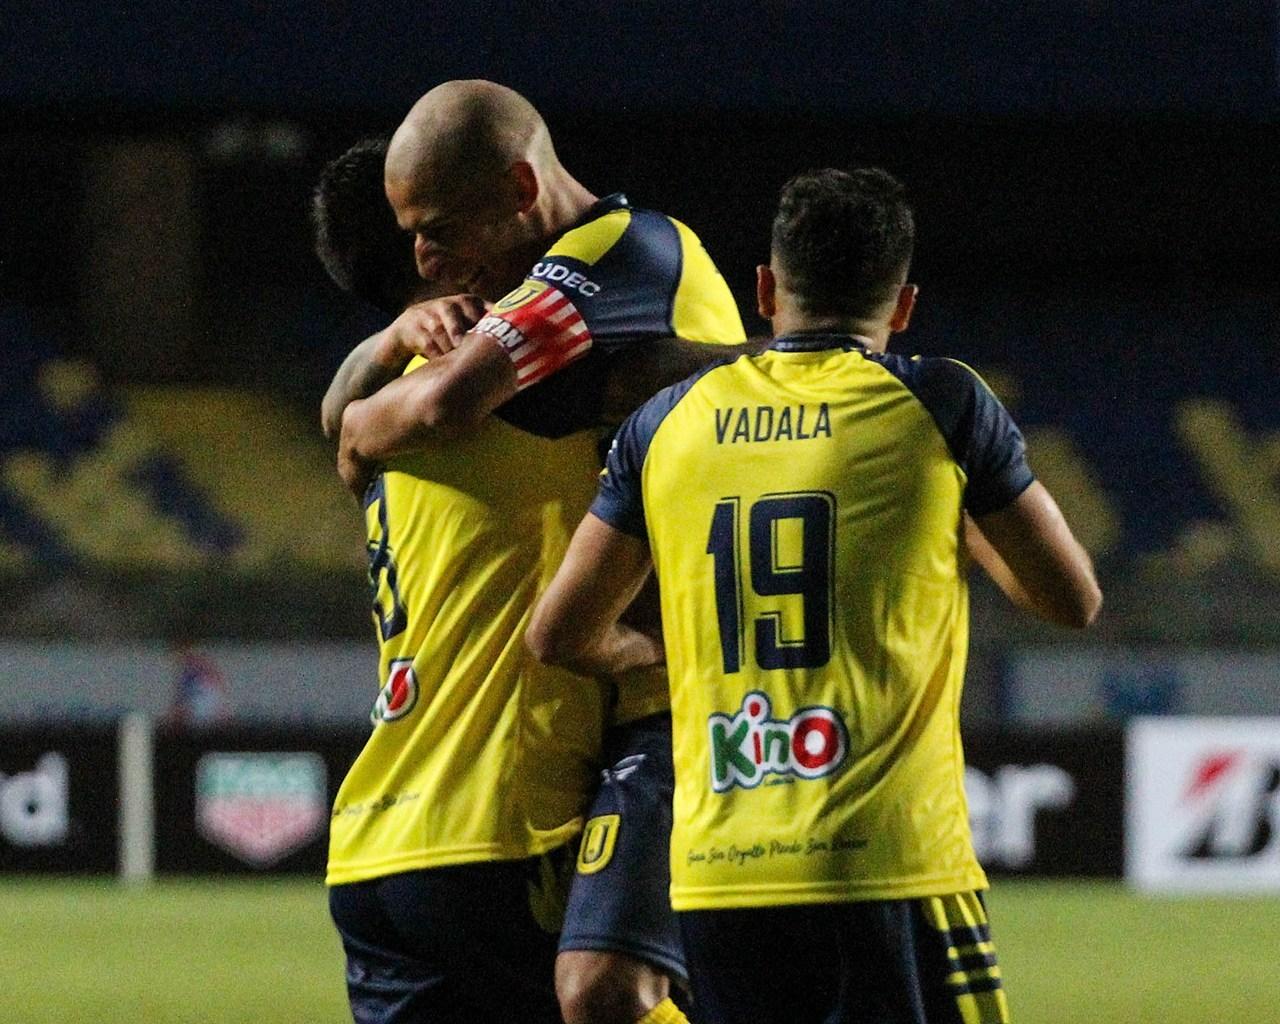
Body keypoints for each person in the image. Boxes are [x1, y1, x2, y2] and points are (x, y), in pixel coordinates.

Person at [527, 167, 1102, 1024]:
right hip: (889, 864)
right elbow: (1071, 599)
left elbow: (559, 634)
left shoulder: (665, 423)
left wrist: (667, 649)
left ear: (764, 290)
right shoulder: (938, 401)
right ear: (902, 304)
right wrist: (957, 535)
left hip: (720, 875)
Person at [317, 78, 750, 1024]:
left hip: (390, 830)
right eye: (412, 241)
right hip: (510, 799)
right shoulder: (519, 363)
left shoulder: (617, 255)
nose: (429, 259)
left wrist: (359, 410)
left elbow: (420, 406)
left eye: (439, 228)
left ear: (521, 188)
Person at [313, 135, 605, 1024]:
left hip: (373, 844)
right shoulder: (503, 385)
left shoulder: (378, 407)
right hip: (497, 828)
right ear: (433, 249)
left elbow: (337, 416)